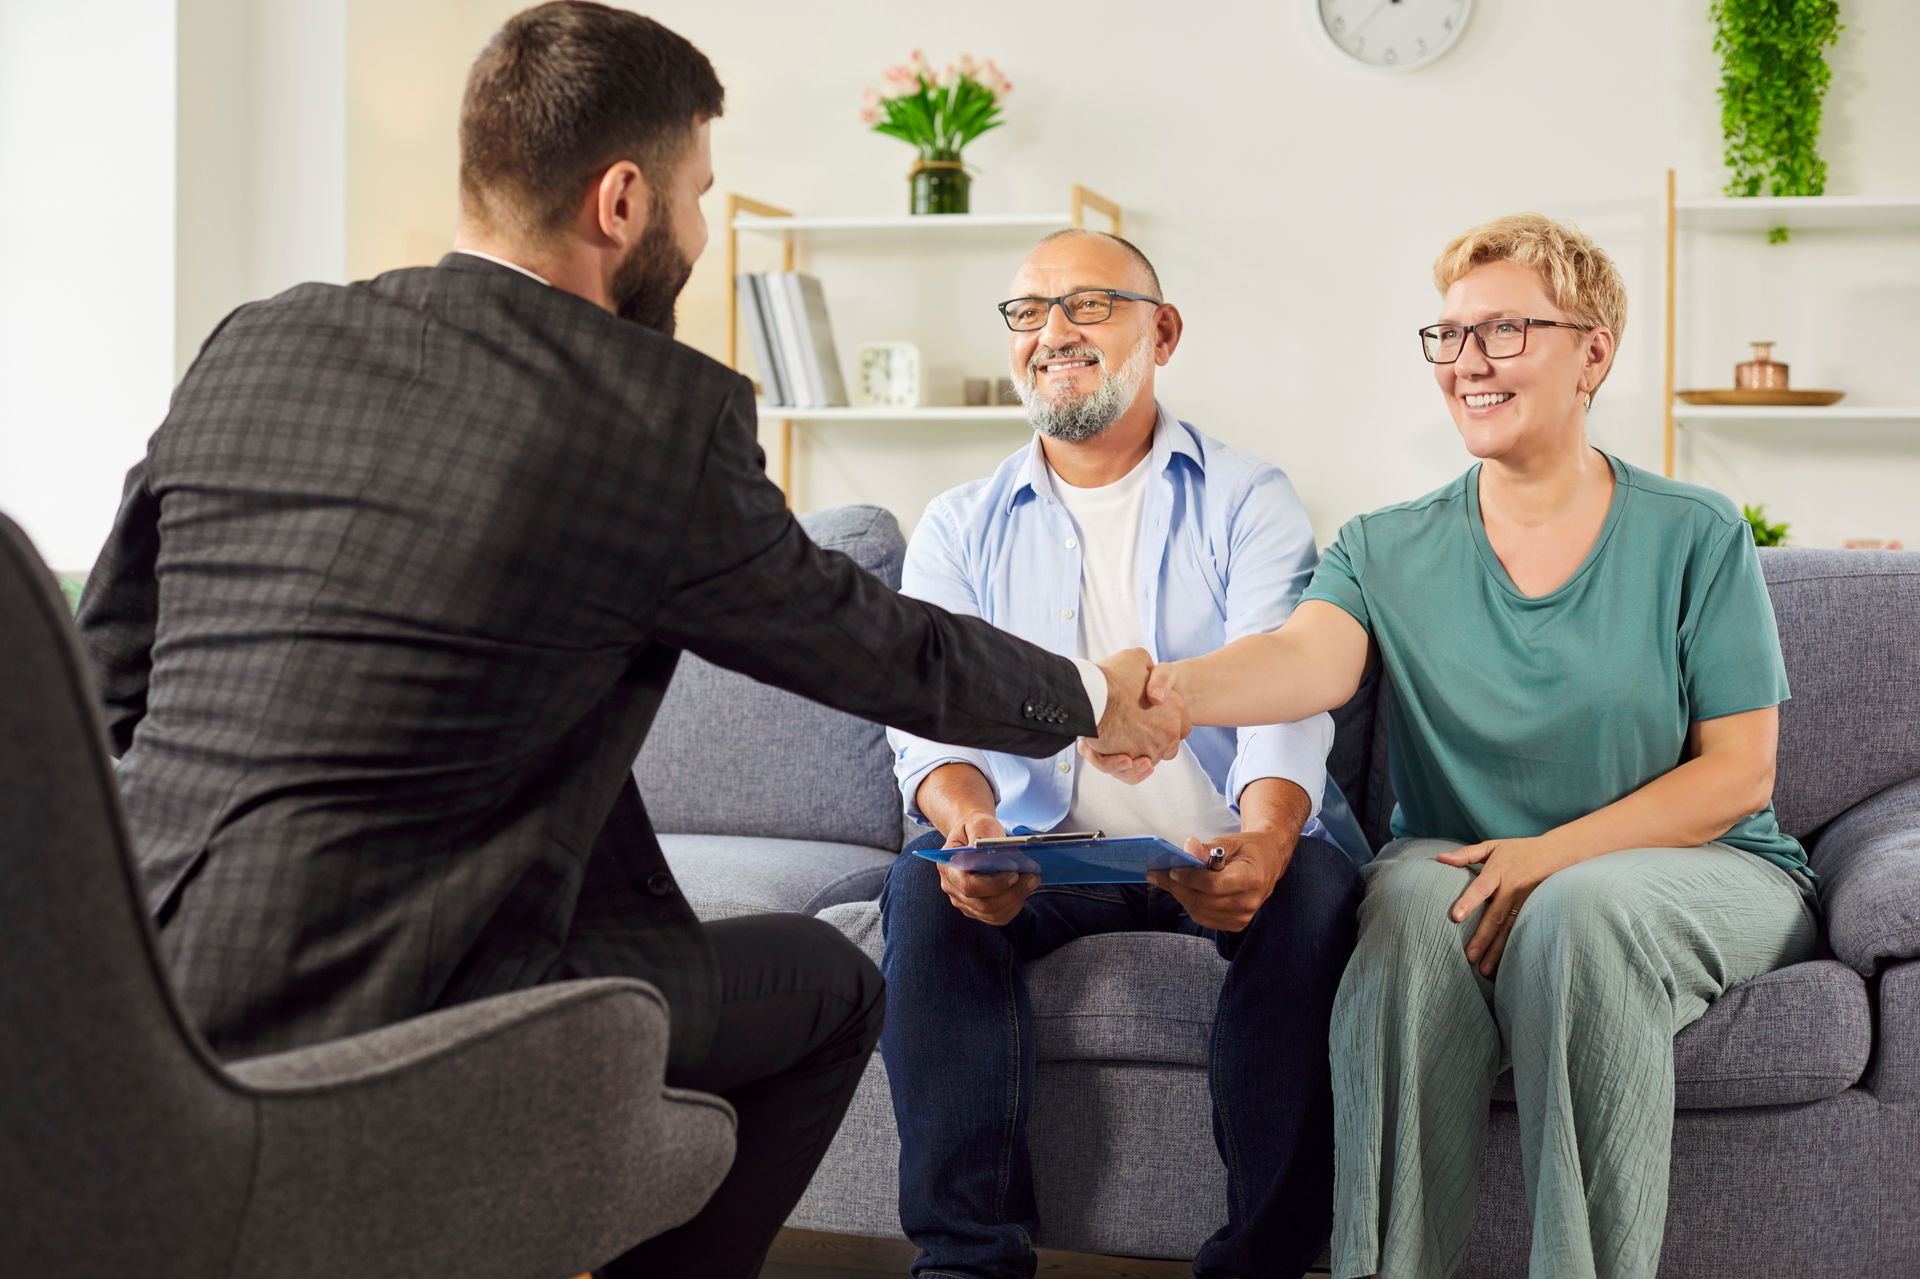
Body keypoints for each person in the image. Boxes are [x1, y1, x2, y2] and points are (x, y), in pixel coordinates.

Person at [71, 7, 1185, 1277]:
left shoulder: (257, 342)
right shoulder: (649, 414)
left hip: (143, 988)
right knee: (829, 991)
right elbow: (871, 647)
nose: (703, 234)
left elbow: (104, 678)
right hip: (430, 1002)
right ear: (621, 200)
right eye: (699, 197)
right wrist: (1098, 695)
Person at [1128, 214, 1820, 1279]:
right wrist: (1171, 694)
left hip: (1698, 866)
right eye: (1448, 337)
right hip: (1457, 860)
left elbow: (1740, 773)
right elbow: (1304, 659)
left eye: (1504, 329)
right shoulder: (1383, 544)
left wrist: (1549, 856)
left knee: (1580, 917)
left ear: (1595, 351)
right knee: (1402, 909)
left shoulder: (1698, 532)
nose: (1467, 362)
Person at [879, 228, 1369, 1279]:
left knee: (1316, 889)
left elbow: (1288, 687)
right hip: (1043, 852)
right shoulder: (957, 526)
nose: (1053, 333)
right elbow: (928, 720)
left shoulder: (1249, 497)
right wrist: (969, 825)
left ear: (1163, 330)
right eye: (1027, 313)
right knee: (922, 891)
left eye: (1088, 305)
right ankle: (966, 1262)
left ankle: (1265, 1261)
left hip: (1218, 839)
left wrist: (1269, 835)